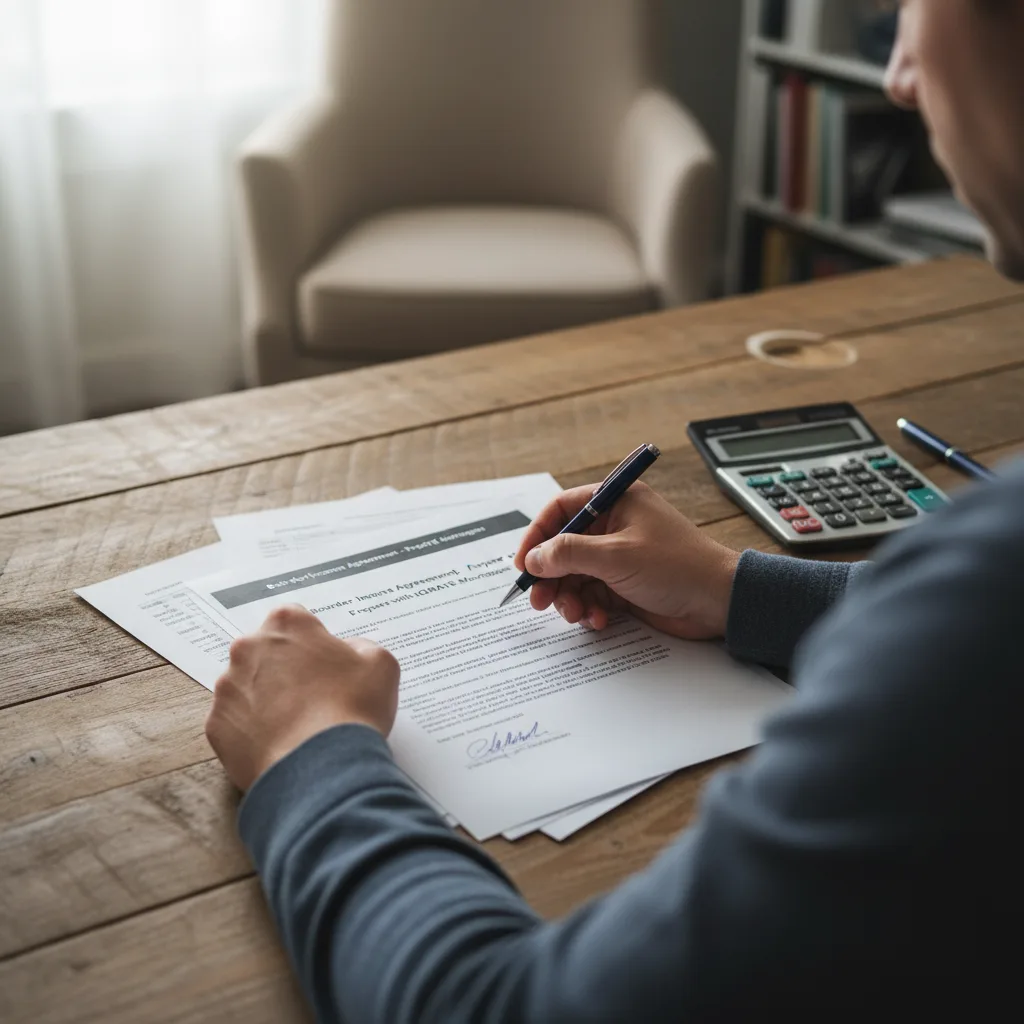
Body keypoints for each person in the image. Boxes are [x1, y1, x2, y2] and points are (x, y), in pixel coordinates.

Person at [205, 2, 1024, 1019]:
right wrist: (735, 588)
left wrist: (309, 752)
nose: (898, 72)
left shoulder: (989, 585)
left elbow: (495, 1007)